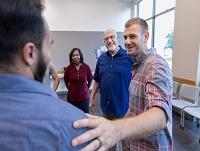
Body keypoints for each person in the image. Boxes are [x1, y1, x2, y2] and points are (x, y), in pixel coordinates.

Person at [72, 17, 173, 151]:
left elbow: (160, 115)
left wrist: (117, 127)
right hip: (126, 132)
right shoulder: (136, 64)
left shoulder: (155, 65)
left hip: (148, 145)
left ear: (146, 36)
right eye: (125, 37)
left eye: (132, 36)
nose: (127, 41)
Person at [0, 0, 89, 150]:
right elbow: (66, 80)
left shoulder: (85, 67)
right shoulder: (75, 126)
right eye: (48, 46)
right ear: (30, 53)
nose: (49, 56)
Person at [90, 29, 133, 120]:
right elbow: (97, 80)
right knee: (107, 133)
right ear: (104, 42)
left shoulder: (129, 57)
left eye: (112, 37)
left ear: (117, 38)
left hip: (124, 110)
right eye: (106, 39)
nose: (109, 40)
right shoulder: (101, 59)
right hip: (105, 108)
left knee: (122, 134)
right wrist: (92, 97)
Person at [64, 48, 93, 113]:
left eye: (77, 55)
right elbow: (66, 81)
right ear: (71, 57)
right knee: (73, 117)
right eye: (73, 55)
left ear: (80, 56)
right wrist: (70, 90)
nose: (75, 57)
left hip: (84, 98)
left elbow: (90, 79)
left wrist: (85, 88)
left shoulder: (86, 67)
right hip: (72, 98)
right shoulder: (68, 68)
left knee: (85, 117)